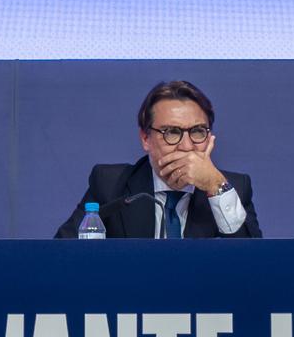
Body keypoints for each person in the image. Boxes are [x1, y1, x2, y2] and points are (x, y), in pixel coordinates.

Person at [55, 80, 261, 238]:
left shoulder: (234, 189)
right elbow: (62, 257)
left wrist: (215, 186)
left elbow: (254, 268)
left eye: (198, 131)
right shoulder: (110, 186)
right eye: (172, 132)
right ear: (145, 138)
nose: (187, 146)